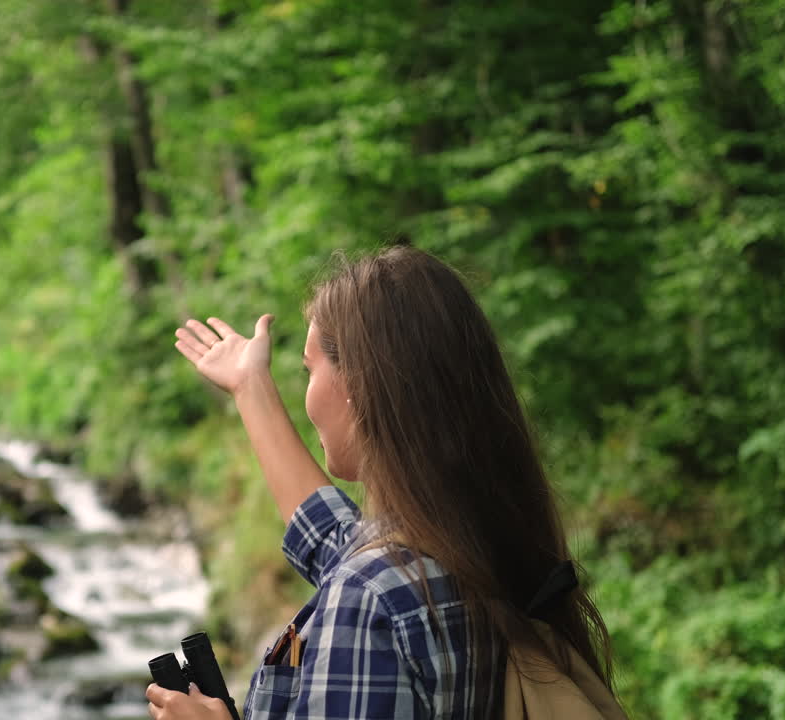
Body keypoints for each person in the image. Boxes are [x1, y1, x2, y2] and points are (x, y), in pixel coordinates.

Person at [146, 246, 621, 719]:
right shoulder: (479, 547)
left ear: (358, 385)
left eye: (309, 370)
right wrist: (251, 387)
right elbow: (336, 542)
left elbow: (359, 577)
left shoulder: (370, 601)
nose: (307, 392)